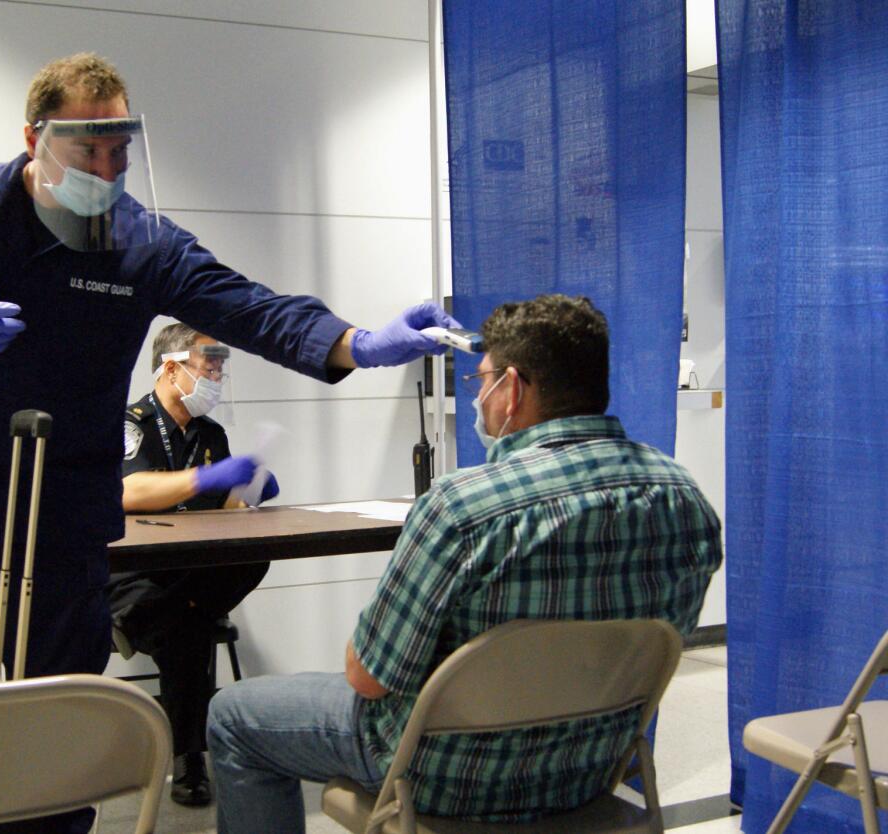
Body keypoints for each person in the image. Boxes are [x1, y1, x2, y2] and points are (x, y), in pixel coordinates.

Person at [0, 50, 452, 720]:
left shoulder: (140, 242)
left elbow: (248, 307)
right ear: (33, 140)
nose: (106, 175)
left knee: (57, 709)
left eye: (120, 154)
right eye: (87, 156)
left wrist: (356, 343)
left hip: (64, 506)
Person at [206, 294, 724, 833]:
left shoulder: (463, 507)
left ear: (513, 388)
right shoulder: (684, 497)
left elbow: (367, 679)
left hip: (445, 776)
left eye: (481, 382)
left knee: (234, 714)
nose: (479, 397)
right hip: (587, 769)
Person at [108, 322, 274, 807]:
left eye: (222, 366)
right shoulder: (128, 422)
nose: (218, 376)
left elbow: (223, 518)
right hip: (133, 571)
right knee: (187, 627)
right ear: (173, 367)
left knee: (251, 556)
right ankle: (190, 759)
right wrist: (206, 477)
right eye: (210, 365)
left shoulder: (209, 433)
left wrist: (248, 493)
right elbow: (127, 492)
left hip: (185, 576)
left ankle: (138, 621)